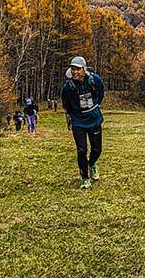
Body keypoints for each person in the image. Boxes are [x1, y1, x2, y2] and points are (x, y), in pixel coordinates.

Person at [61, 56, 104, 189]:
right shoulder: (67, 87)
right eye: (73, 69)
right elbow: (66, 104)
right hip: (78, 121)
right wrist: (73, 116)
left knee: (97, 149)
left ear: (84, 69)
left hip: (94, 118)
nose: (75, 72)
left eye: (78, 69)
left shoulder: (94, 80)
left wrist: (94, 107)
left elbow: (101, 94)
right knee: (81, 150)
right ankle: (85, 178)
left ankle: (91, 164)